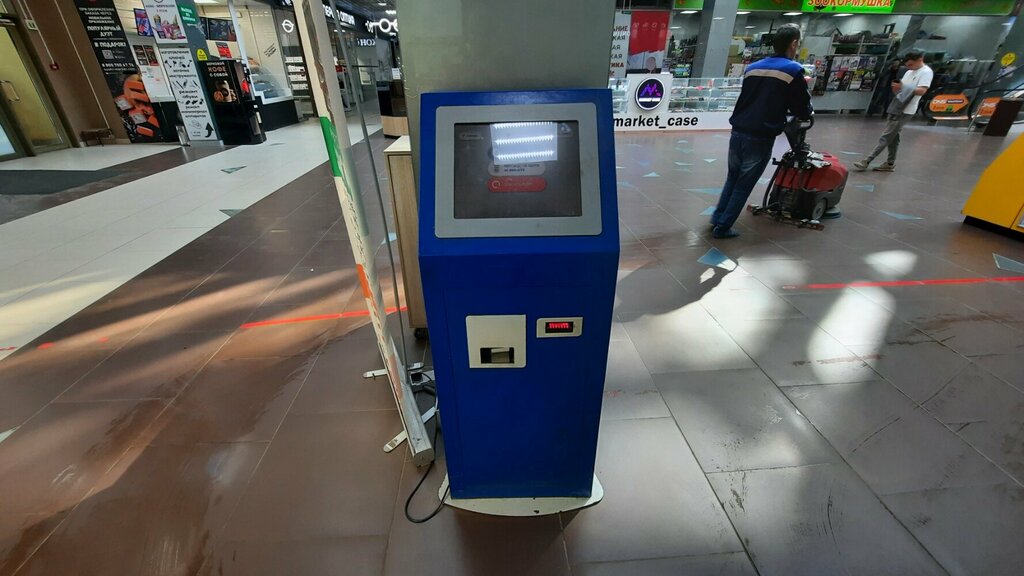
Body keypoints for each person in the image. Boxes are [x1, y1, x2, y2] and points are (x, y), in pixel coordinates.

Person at [710, 24, 812, 239]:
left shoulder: (753, 68)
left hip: (738, 129)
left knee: (732, 177)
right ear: (794, 43)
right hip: (761, 134)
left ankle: (717, 218)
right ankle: (723, 227)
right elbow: (801, 106)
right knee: (744, 183)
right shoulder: (793, 70)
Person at [854, 50, 933, 173]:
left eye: (911, 64)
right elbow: (902, 89)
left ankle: (867, 160)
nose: (909, 67)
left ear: (920, 60)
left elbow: (922, 91)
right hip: (897, 106)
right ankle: (890, 163)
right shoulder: (909, 72)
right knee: (893, 137)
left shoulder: (926, 72)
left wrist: (903, 87)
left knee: (887, 136)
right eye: (907, 65)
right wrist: (897, 88)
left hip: (906, 110)